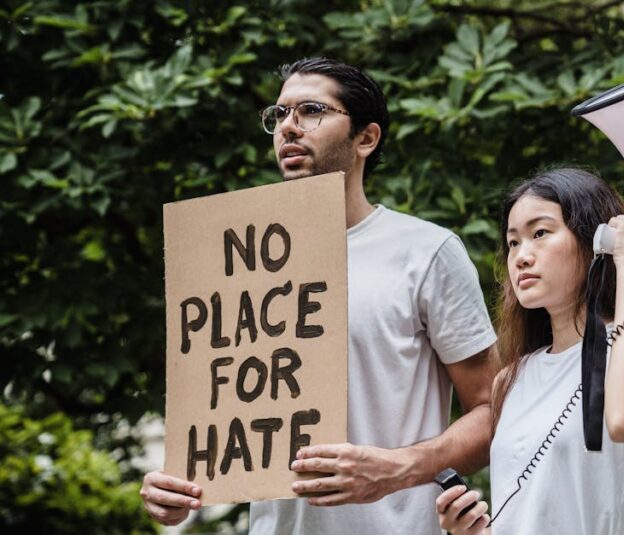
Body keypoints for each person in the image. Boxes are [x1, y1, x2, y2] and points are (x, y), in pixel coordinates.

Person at [141, 58, 498, 534]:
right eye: (279, 114)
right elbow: (227, 434)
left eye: (311, 111)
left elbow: (493, 409)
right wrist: (179, 487)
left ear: (365, 139)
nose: (288, 127)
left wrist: (400, 468)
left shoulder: (427, 252)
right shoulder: (238, 262)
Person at [436, 168, 624, 535]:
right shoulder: (510, 378)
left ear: (594, 242)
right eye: (513, 242)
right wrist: (469, 530)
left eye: (540, 233)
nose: (521, 256)